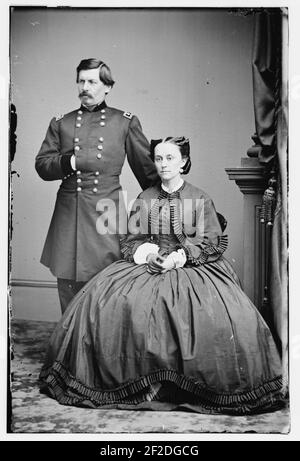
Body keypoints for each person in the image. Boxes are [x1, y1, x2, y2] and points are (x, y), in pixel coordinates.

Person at [39, 136, 286, 415]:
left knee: (212, 315)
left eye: (170, 158)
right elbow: (130, 241)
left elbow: (211, 242)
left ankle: (182, 386)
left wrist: (179, 257)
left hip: (193, 267)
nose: (163, 164)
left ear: (183, 162)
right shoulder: (145, 198)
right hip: (150, 264)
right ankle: (144, 384)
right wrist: (148, 253)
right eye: (158, 158)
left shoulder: (199, 197)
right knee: (113, 304)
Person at [35, 58, 158, 313]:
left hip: (107, 213)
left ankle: (101, 350)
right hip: (70, 214)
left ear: (107, 86)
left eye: (92, 81)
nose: (85, 87)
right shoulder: (62, 122)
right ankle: (70, 350)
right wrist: (70, 160)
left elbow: (147, 173)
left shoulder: (124, 122)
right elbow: (42, 166)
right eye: (81, 81)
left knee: (107, 288)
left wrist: (170, 201)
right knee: (67, 284)